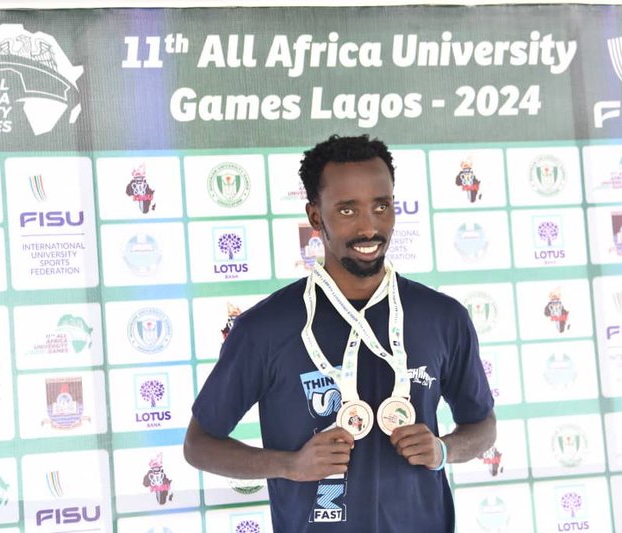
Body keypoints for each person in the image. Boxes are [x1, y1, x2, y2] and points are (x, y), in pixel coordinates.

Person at [183, 134, 496, 532]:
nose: (370, 227)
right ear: (316, 216)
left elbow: (483, 425)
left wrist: (443, 449)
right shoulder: (266, 327)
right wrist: (289, 465)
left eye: (381, 207)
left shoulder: (442, 317)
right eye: (347, 210)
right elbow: (199, 444)